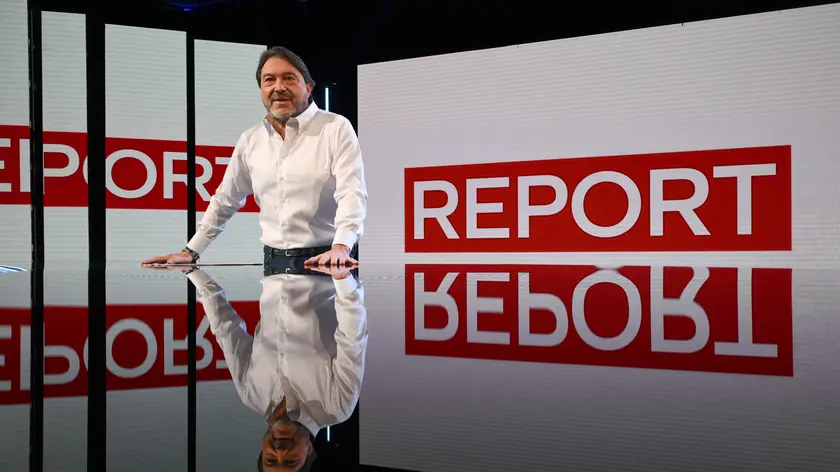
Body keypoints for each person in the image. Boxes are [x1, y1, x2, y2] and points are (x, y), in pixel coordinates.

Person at [142, 46, 366, 268]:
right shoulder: (251, 139)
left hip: (328, 262)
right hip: (273, 264)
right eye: (269, 80)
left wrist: (342, 247)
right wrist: (191, 251)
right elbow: (225, 199)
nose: (279, 87)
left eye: (289, 78)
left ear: (308, 87)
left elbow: (351, 192)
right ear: (261, 90)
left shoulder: (335, 127)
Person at [183, 262, 367, 471]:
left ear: (263, 451)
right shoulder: (337, 407)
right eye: (290, 461)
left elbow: (226, 330)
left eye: (270, 460)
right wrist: (342, 277)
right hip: (323, 261)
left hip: (273, 260)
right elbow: (353, 338)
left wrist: (192, 270)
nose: (280, 451)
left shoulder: (251, 395)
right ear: (310, 450)